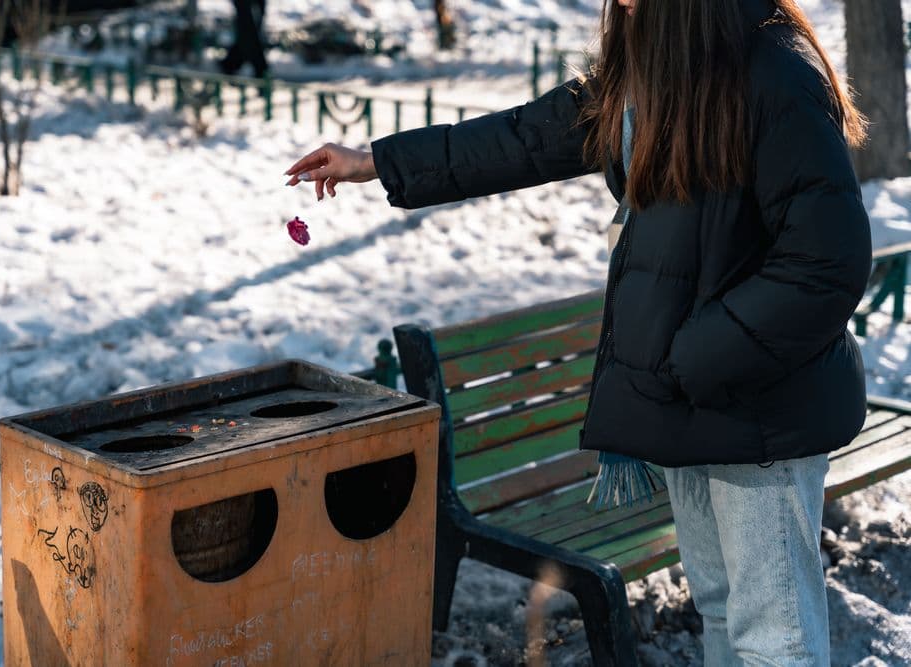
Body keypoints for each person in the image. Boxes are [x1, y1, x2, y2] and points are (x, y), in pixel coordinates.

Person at [284, 0, 871, 664]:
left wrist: (701, 357)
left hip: (761, 409)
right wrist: (377, 162)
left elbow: (827, 262)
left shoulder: (774, 69)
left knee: (776, 638)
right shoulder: (656, 59)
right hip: (693, 400)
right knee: (723, 614)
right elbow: (525, 137)